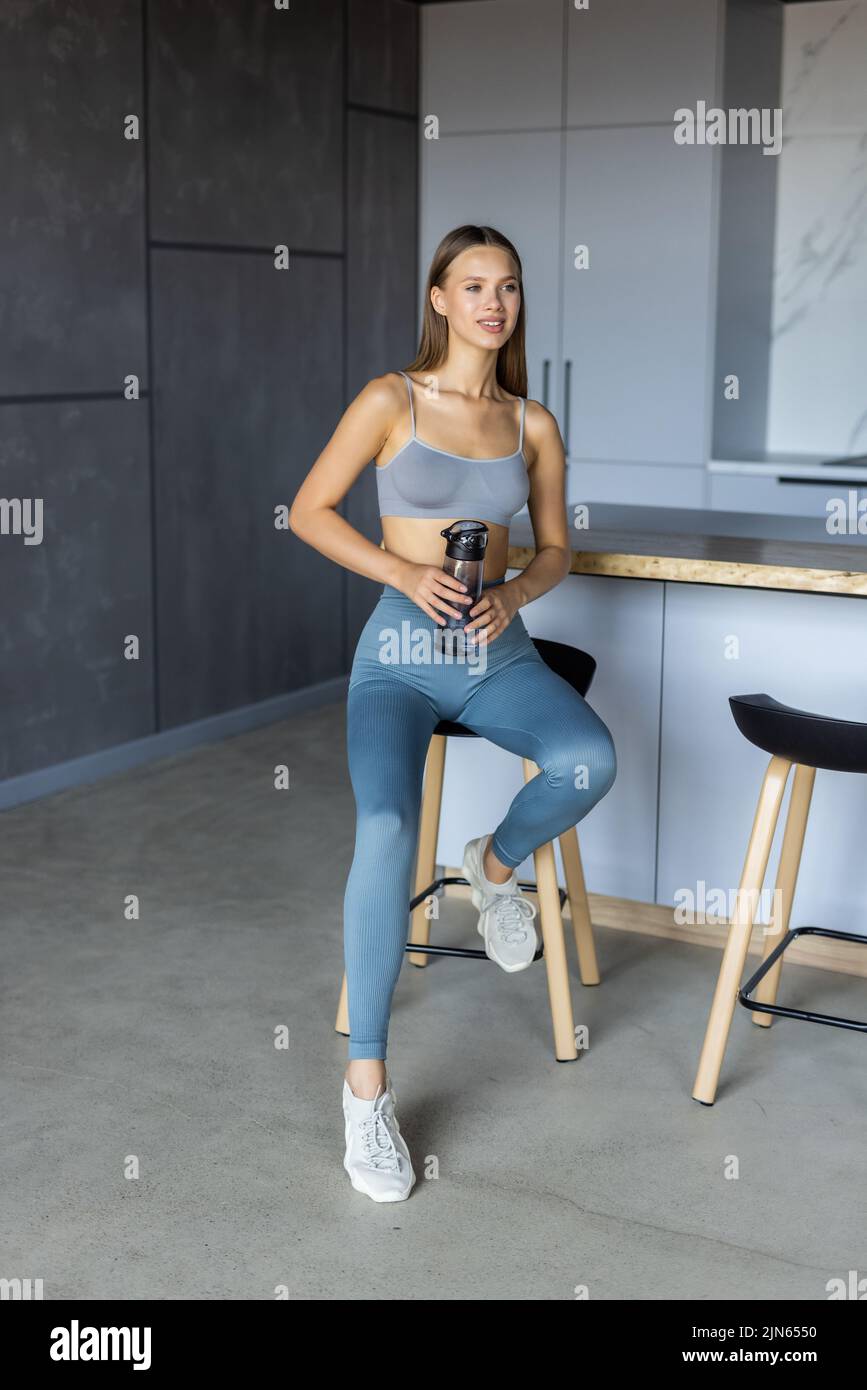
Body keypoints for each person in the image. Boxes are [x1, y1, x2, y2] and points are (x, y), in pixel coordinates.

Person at [289, 224, 617, 1202]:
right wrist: (400, 568)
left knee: (589, 759)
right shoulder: (391, 399)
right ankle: (366, 1091)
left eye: (508, 287)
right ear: (439, 297)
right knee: (386, 824)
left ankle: (492, 865)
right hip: (397, 654)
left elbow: (556, 548)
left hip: (495, 652)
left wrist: (514, 596)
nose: (492, 302)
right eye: (472, 285)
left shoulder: (534, 423)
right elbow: (309, 509)